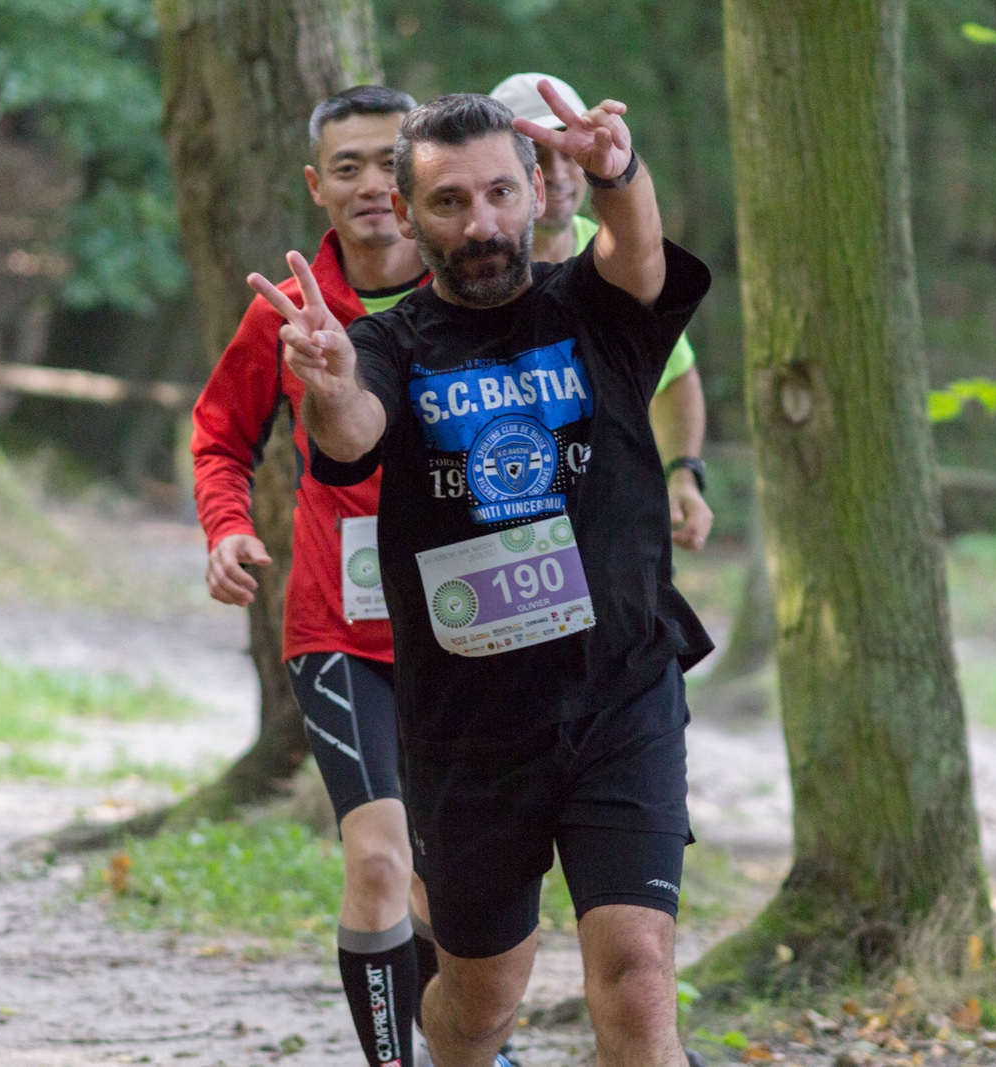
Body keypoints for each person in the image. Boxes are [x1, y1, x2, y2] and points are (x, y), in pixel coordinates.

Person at [249, 88, 712, 1067]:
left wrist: (621, 172)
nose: (483, 222)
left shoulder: (594, 310)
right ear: (412, 217)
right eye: (451, 202)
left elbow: (639, 256)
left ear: (537, 187)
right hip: (471, 723)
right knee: (478, 995)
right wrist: (326, 383)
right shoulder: (385, 348)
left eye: (500, 192)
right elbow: (351, 436)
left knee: (635, 971)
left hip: (621, 692)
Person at [191, 86, 438, 1067]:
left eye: (391, 161)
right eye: (349, 167)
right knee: (379, 857)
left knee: (453, 880)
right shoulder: (287, 315)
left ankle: (460, 1038)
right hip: (340, 631)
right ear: (316, 185)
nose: (373, 185)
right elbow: (218, 435)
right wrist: (225, 528)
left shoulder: (478, 292)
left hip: (474, 625)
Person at [491, 73, 713, 553]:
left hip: (608, 529)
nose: (555, 172)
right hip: (495, 529)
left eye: (566, 152)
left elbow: (677, 376)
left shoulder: (616, 254)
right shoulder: (462, 269)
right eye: (535, 156)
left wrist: (683, 475)